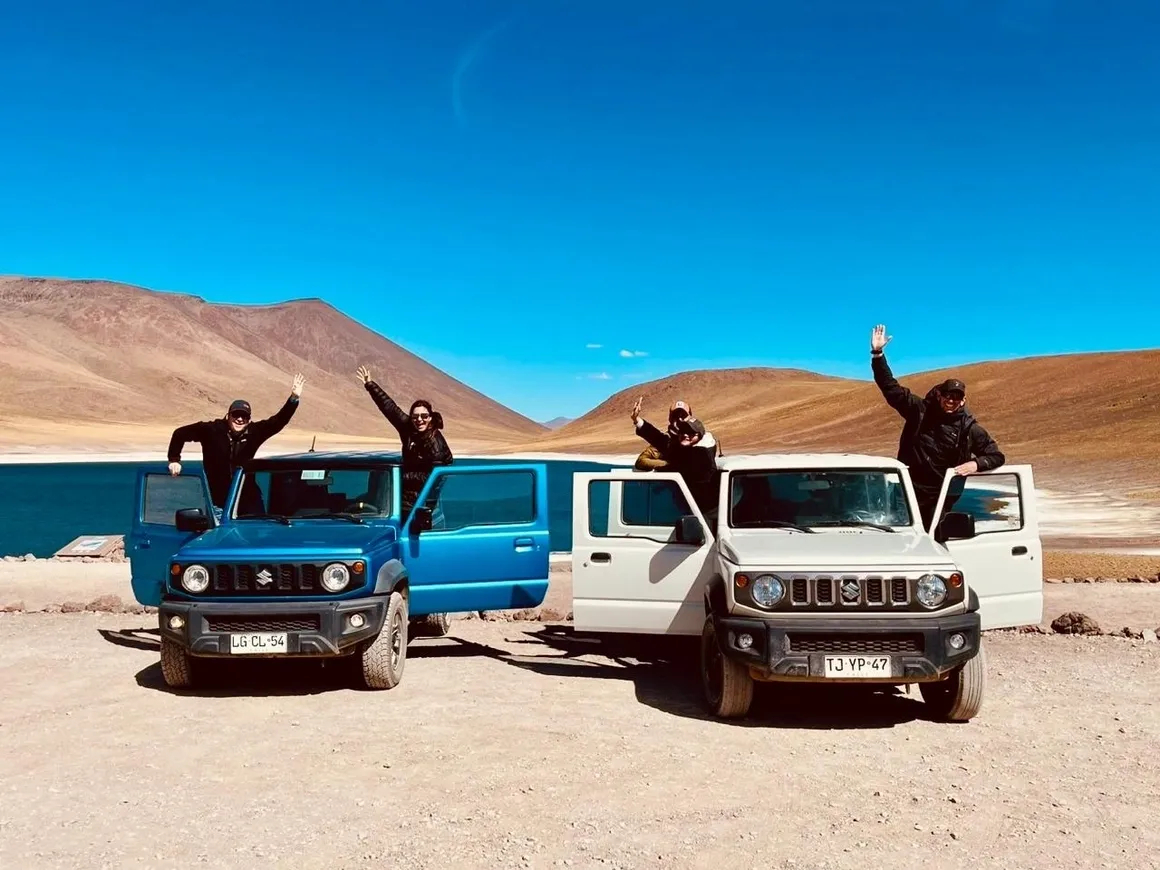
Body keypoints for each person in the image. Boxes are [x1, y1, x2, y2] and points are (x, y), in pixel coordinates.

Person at [869, 324, 1005, 528]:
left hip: (940, 497)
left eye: (956, 397)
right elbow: (891, 388)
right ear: (940, 395)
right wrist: (878, 355)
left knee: (935, 538)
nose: (951, 400)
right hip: (905, 492)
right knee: (899, 537)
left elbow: (996, 456)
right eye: (948, 395)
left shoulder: (969, 428)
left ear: (963, 400)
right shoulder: (919, 411)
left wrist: (976, 464)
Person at [167, 374, 305, 517]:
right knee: (220, 529)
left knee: (257, 527)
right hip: (218, 499)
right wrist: (174, 460)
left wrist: (293, 398)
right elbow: (180, 433)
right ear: (228, 416)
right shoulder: (211, 430)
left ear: (249, 419)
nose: (239, 419)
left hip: (248, 497)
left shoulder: (254, 433)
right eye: (236, 415)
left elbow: (279, 421)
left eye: (244, 416)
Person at [356, 365, 453, 517]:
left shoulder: (435, 443)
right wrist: (370, 385)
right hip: (405, 495)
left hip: (422, 500)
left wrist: (402, 475)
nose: (419, 420)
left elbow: (433, 476)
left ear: (430, 417)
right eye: (415, 416)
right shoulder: (408, 429)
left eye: (424, 416)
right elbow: (390, 408)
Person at [630, 397, 719, 514]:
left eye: (683, 416)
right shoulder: (682, 443)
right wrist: (637, 420)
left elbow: (682, 467)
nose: (679, 419)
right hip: (690, 508)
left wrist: (660, 469)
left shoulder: (702, 451)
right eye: (675, 416)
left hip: (708, 511)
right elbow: (660, 440)